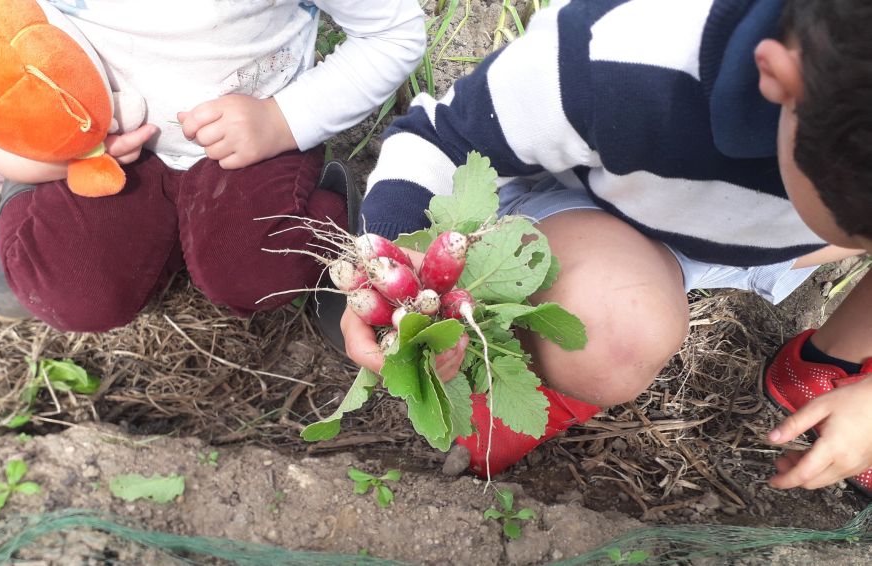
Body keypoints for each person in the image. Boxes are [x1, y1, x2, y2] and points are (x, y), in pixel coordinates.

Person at [341, 0, 872, 496]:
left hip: (768, 231)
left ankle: (825, 365)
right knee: (613, 343)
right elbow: (441, 138)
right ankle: (555, 371)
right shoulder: (623, 57)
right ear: (781, 80)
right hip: (596, 206)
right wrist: (392, 258)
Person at [0, 0, 425, 332]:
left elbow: (393, 33)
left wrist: (283, 119)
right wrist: (18, 155)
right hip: (94, 148)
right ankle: (29, 197)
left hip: (250, 138)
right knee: (77, 294)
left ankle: (326, 213)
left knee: (255, 276)